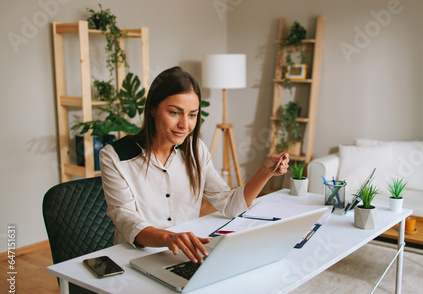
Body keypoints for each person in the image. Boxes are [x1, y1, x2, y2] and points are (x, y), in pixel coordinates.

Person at [100, 66, 289, 264]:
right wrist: (168, 238)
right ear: (153, 109)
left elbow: (229, 205)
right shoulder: (115, 156)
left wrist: (264, 173)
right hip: (134, 258)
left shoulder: (195, 150)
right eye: (174, 112)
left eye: (192, 115)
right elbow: (127, 220)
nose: (185, 124)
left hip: (185, 255)